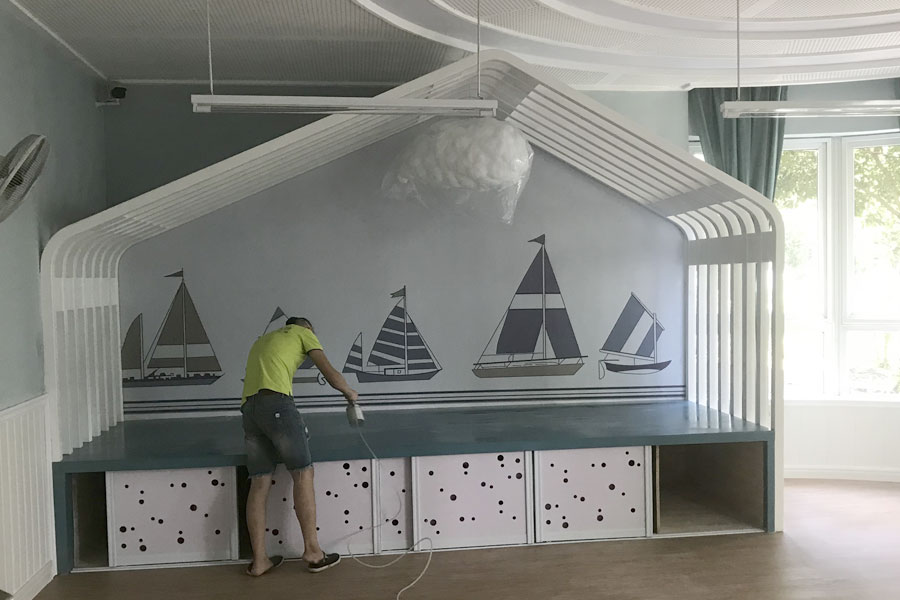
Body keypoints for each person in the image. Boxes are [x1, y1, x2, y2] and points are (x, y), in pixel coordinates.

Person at [240, 316, 359, 577]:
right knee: (303, 473)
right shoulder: (302, 332)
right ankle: (313, 552)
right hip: (277, 405)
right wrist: (349, 393)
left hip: (249, 409)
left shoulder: (262, 340)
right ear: (307, 328)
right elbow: (328, 371)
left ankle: (259, 561)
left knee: (259, 481)